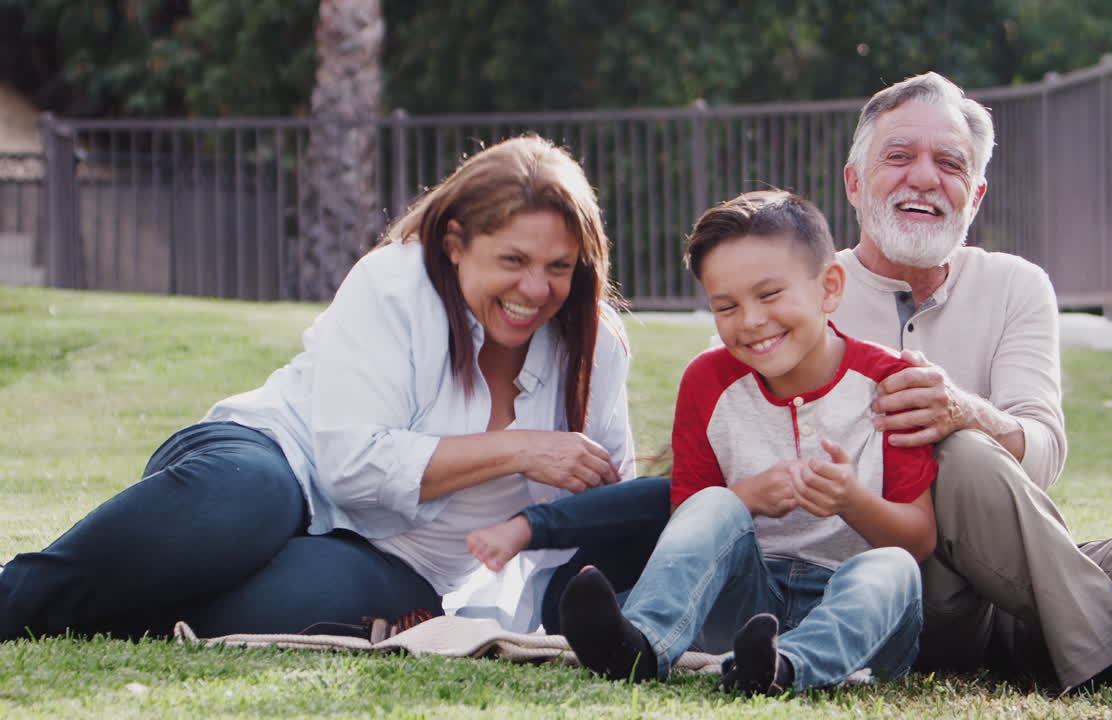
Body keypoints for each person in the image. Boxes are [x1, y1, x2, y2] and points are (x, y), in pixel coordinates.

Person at [0, 134, 649, 640]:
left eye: (558, 268)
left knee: (341, 601)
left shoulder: (595, 345)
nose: (535, 290)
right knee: (243, 505)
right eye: (512, 260)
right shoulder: (395, 285)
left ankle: (117, 613)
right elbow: (351, 468)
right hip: (276, 461)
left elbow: (595, 509)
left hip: (394, 561)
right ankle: (18, 597)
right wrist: (521, 450)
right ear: (455, 244)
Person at [830, 70, 1112, 713]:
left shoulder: (1017, 286)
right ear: (854, 182)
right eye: (899, 157)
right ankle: (1107, 657)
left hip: (1014, 595)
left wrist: (963, 409)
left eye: (949, 164)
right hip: (884, 590)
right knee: (956, 457)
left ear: (975, 194)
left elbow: (1042, 452)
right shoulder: (805, 292)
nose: (925, 178)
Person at [557, 190, 937, 696]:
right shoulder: (707, 381)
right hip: (746, 603)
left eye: (770, 294)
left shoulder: (890, 382)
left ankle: (781, 669)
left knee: (891, 567)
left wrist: (852, 501)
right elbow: (692, 523)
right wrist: (747, 497)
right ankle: (640, 644)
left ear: (829, 287)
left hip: (857, 612)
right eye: (726, 306)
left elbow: (919, 540)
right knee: (713, 502)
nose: (751, 321)